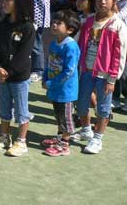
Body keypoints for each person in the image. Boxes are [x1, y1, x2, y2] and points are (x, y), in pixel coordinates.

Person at [76, 0, 127, 154]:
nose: (102, 2)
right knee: (82, 105)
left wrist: (112, 79)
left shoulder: (117, 25)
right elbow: (78, 44)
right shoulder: (88, 21)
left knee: (103, 109)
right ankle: (86, 130)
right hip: (86, 73)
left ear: (114, 1)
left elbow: (119, 56)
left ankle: (98, 139)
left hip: (105, 76)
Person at [0, 0, 35, 157]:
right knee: (4, 108)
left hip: (19, 77)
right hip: (2, 76)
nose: (4, 2)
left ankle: (21, 141)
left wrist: (8, 71)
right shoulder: (2, 24)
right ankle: (4, 136)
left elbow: (24, 55)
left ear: (20, 2)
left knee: (22, 110)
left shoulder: (27, 27)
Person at [41, 10, 81, 157]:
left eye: (59, 23)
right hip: (55, 88)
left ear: (70, 29)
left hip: (66, 90)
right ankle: (59, 137)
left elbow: (69, 71)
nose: (54, 24)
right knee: (58, 115)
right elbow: (48, 63)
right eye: (54, 22)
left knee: (65, 118)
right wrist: (45, 78)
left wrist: (51, 83)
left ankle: (64, 145)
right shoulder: (53, 43)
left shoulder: (71, 46)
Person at [113, 0, 127, 111]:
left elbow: (120, 18)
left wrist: (114, 7)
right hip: (117, 42)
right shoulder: (119, 1)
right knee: (117, 72)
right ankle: (115, 98)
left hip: (125, 42)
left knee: (125, 74)